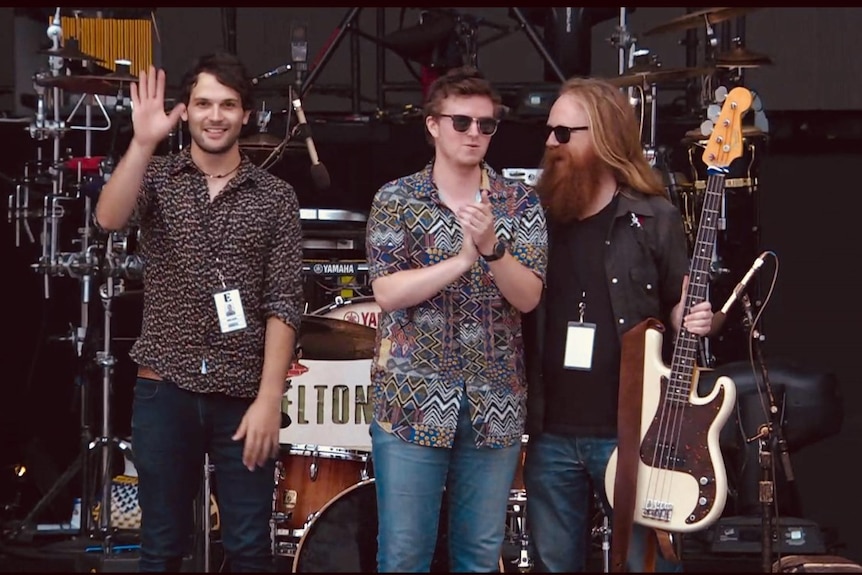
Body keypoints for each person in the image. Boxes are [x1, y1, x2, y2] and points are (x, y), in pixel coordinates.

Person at [94, 53, 303, 572]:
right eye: (204, 103)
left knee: (252, 546)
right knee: (162, 545)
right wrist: (142, 142)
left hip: (242, 393)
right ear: (184, 112)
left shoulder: (276, 197)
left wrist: (268, 399)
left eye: (228, 105)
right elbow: (109, 218)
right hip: (166, 387)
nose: (216, 115)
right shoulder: (159, 175)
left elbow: (283, 303)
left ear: (247, 115)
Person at [522, 76, 716, 572]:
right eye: (550, 131)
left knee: (646, 562)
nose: (550, 143)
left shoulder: (654, 218)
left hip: (634, 430)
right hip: (552, 431)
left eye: (564, 134)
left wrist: (692, 317)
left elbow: (679, 302)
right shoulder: (537, 219)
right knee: (553, 564)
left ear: (603, 136)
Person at [365, 66, 548, 572]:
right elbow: (387, 292)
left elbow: (529, 296)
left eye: (486, 125)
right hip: (411, 402)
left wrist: (491, 248)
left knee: (479, 557)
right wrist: (461, 262)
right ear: (433, 125)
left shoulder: (520, 201)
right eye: (462, 122)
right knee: (403, 556)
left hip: (495, 403)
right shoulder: (396, 199)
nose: (474, 134)